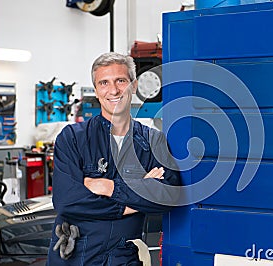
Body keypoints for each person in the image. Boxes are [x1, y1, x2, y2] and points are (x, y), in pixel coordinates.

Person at [46, 52, 181, 265]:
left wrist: (109, 187)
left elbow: (170, 195)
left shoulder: (153, 141)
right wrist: (141, 192)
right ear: (97, 90)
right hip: (76, 257)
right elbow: (67, 202)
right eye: (104, 83)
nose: (114, 90)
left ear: (134, 86)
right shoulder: (72, 138)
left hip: (123, 257)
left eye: (121, 81)